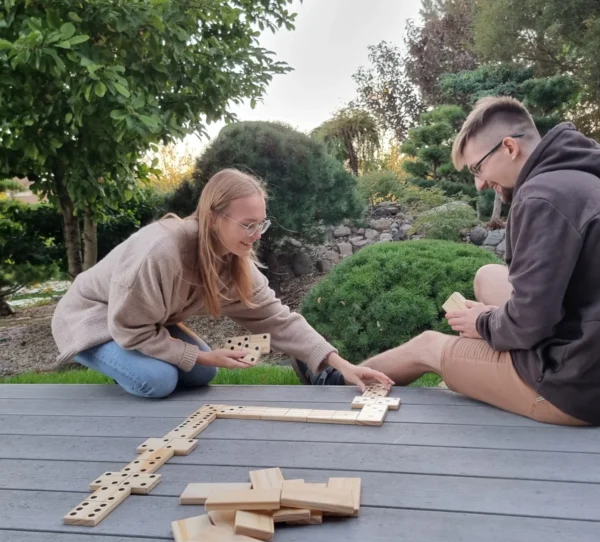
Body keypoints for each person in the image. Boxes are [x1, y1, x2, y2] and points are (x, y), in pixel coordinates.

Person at [292, 96, 600, 426]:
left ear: (509, 147)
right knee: (488, 275)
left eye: (478, 168)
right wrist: (499, 318)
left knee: (426, 346)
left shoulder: (542, 197)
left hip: (572, 386)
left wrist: (483, 324)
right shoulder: (580, 177)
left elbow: (531, 324)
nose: (480, 184)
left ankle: (336, 384)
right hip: (583, 344)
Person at [51, 168, 393, 398]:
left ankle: (142, 361)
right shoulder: (159, 252)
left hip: (145, 322)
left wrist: (342, 365)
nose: (256, 236)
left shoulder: (234, 259)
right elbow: (129, 329)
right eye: (248, 225)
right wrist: (202, 355)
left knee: (201, 377)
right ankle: (112, 362)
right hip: (94, 320)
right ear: (214, 217)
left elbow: (277, 319)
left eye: (262, 224)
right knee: (158, 381)